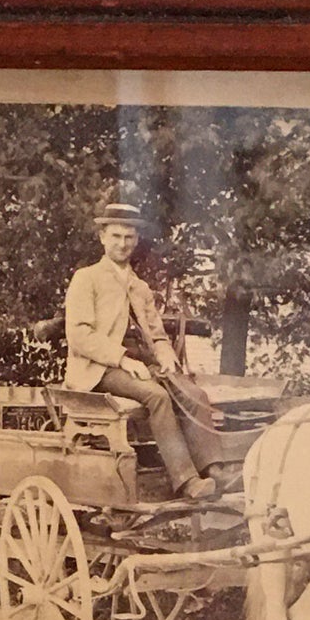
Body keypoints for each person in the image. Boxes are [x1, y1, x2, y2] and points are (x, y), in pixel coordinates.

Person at [64, 201, 211, 498]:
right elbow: (79, 334)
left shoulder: (139, 286)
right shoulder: (87, 278)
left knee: (194, 395)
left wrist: (165, 353)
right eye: (116, 236)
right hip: (99, 369)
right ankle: (186, 481)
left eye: (129, 237)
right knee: (156, 396)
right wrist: (121, 358)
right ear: (102, 237)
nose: (122, 243)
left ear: (137, 239)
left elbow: (156, 334)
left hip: (141, 365)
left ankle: (214, 470)